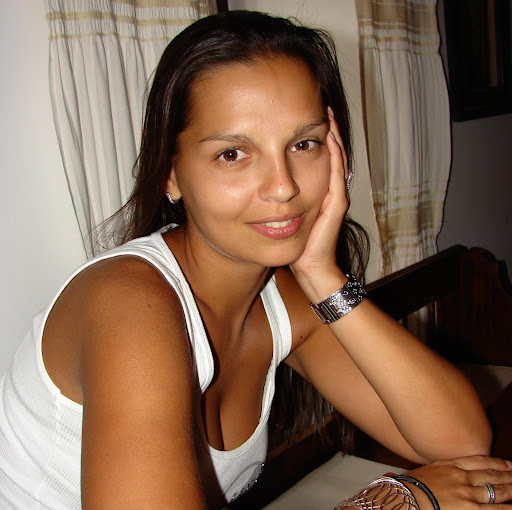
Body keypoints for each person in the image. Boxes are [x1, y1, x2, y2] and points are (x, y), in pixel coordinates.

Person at [0, 10, 510, 510]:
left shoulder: (279, 296)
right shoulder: (129, 305)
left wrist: (323, 277)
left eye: (304, 144)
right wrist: (394, 501)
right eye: (233, 154)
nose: (283, 186)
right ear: (171, 174)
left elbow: (461, 441)